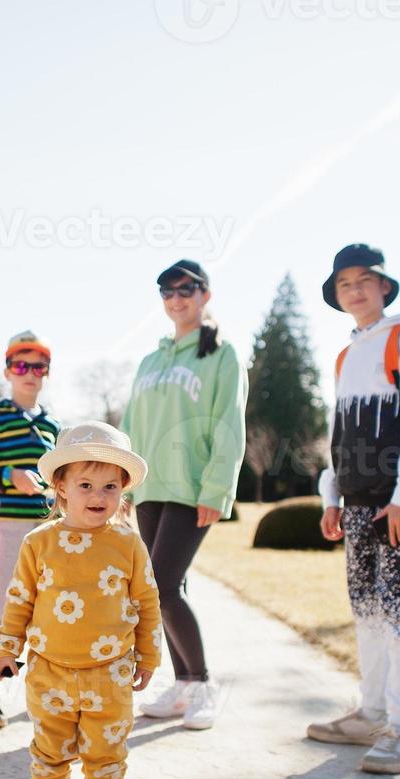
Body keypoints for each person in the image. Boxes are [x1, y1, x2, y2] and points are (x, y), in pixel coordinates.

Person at [0, 421, 163, 779]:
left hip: (111, 670)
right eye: (85, 484)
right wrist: (7, 649)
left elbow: (146, 600)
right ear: (60, 486)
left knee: (107, 752)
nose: (98, 495)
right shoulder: (39, 543)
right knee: (50, 749)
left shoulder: (128, 543)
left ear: (123, 491)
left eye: (109, 486)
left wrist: (149, 654)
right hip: (49, 669)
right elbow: (19, 599)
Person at [310, 243, 400, 775]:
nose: (356, 290)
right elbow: (338, 432)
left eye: (365, 279)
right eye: (345, 283)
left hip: (399, 505)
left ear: (385, 286)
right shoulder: (347, 354)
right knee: (366, 610)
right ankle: (370, 713)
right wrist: (331, 494)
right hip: (357, 504)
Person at [120, 259, 246, 730]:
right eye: (167, 292)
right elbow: (131, 426)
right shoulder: (151, 361)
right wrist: (122, 485)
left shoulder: (221, 355)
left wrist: (217, 487)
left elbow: (230, 423)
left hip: (192, 488)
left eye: (186, 289)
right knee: (165, 588)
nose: (176, 299)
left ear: (204, 295)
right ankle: (183, 685)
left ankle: (202, 683)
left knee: (161, 584)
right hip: (150, 487)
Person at [0, 331, 61, 729]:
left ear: (46, 373)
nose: (29, 373)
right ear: (8, 371)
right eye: (21, 365)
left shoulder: (53, 423)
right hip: (7, 523)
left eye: (38, 366)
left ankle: (43, 690)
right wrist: (9, 475)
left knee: (47, 607)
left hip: (47, 527)